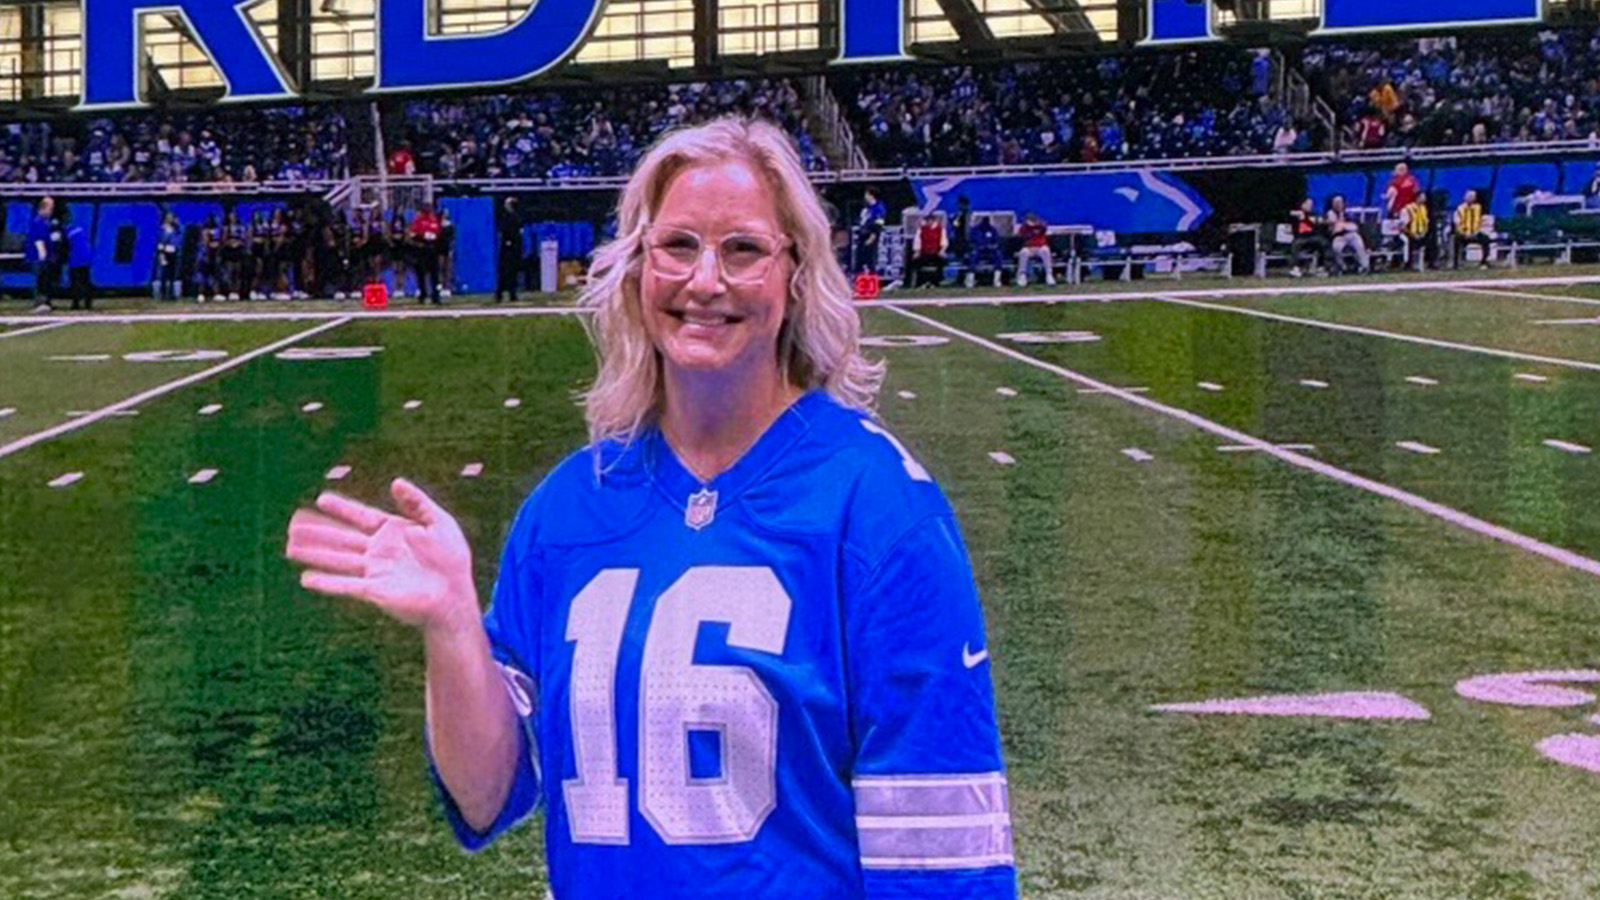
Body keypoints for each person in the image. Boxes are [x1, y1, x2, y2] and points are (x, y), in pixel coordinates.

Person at [284, 117, 1016, 900]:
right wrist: (453, 623)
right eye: (677, 247)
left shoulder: (878, 509)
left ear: (795, 274)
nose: (706, 281)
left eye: (743, 249)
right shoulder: (568, 507)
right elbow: (486, 795)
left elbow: (944, 857)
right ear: (636, 269)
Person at [408, 202, 444, 305]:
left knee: (435, 274)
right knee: (421, 274)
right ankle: (423, 294)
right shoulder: (418, 220)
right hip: (422, 249)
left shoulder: (434, 220)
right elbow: (413, 233)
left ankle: (436, 295)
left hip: (433, 249)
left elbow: (438, 233)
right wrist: (420, 238)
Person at [27, 197, 57, 312]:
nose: (51, 211)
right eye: (50, 208)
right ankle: (39, 303)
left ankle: (45, 301)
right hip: (38, 256)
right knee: (40, 279)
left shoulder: (46, 222)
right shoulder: (38, 221)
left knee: (46, 279)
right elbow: (38, 239)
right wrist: (42, 253)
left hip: (47, 255)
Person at [1326, 195, 1369, 275]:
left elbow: (1355, 227)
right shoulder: (1330, 213)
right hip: (1338, 237)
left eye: (1340, 202)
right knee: (1336, 248)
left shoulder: (1348, 213)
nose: (1338, 204)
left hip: (1351, 234)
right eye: (1336, 202)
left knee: (1359, 244)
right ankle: (1342, 267)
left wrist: (1342, 225)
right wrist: (1343, 225)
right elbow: (1334, 228)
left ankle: (1364, 266)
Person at [1287, 197, 1328, 277]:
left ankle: (1321, 267)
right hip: (1300, 237)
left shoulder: (1314, 215)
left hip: (1312, 237)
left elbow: (1315, 224)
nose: (1310, 206)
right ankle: (1295, 268)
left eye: (1311, 204)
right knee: (1296, 245)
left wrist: (1306, 218)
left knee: (1323, 243)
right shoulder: (1297, 214)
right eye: (1307, 204)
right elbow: (1289, 214)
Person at [62, 208, 93, 310]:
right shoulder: (80, 227)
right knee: (85, 280)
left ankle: (76, 302)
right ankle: (88, 302)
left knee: (75, 281)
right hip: (86, 256)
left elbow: (65, 246)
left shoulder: (66, 230)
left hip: (76, 258)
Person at [1452, 189, 1492, 269]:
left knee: (1486, 239)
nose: (1471, 198)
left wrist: (1475, 232)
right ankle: (1456, 264)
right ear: (1465, 198)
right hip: (1463, 234)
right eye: (1469, 196)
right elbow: (1457, 223)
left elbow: (1480, 221)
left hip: (1475, 233)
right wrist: (1464, 233)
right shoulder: (1460, 209)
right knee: (1456, 240)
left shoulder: (1478, 208)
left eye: (1473, 197)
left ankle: (1484, 262)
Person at [495, 196, 524, 303]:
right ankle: (503, 293)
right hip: (509, 249)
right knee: (507, 273)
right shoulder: (511, 218)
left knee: (509, 272)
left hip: (510, 250)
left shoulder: (513, 218)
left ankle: (509, 293)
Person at [1015, 210, 1054, 286]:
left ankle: (1049, 274)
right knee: (1023, 252)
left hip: (1040, 247)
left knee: (1046, 250)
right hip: (1029, 248)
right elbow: (1021, 235)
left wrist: (1038, 224)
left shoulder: (1040, 226)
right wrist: (1030, 232)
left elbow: (1045, 227)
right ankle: (1022, 275)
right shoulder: (1024, 227)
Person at [911, 211, 948, 288]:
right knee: (916, 262)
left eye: (930, 220)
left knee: (941, 261)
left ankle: (936, 282)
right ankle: (921, 282)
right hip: (924, 252)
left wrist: (942, 251)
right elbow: (917, 241)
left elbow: (944, 241)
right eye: (927, 220)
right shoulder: (921, 229)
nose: (929, 222)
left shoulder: (940, 229)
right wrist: (917, 251)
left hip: (936, 252)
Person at [853, 188, 885, 274]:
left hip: (870, 235)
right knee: (859, 258)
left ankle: (871, 279)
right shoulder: (866, 208)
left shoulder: (878, 208)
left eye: (866, 194)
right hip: (862, 234)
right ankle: (858, 279)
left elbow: (879, 223)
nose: (865, 197)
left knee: (870, 258)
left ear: (871, 195)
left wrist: (873, 235)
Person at [968, 214, 1004, 287]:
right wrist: (978, 246)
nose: (985, 222)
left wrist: (993, 246)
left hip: (990, 251)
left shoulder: (992, 230)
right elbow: (971, 241)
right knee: (973, 255)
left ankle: (996, 280)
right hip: (978, 250)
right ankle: (970, 280)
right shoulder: (975, 230)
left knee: (998, 255)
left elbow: (997, 241)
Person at [155, 212, 182, 302]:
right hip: (165, 253)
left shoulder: (176, 229)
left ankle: (171, 293)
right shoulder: (163, 229)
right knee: (164, 274)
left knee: (172, 274)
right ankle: (162, 294)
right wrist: (162, 254)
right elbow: (160, 242)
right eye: (169, 218)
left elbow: (178, 240)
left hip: (174, 253)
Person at [1399, 194, 1430, 271]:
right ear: (1417, 198)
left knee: (1428, 241)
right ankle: (1408, 264)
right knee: (1410, 242)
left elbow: (1425, 222)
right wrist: (1412, 234)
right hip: (1408, 233)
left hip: (1421, 233)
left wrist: (1423, 233)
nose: (1425, 199)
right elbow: (1403, 226)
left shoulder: (1423, 209)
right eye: (1422, 197)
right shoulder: (1408, 209)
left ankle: (1423, 263)